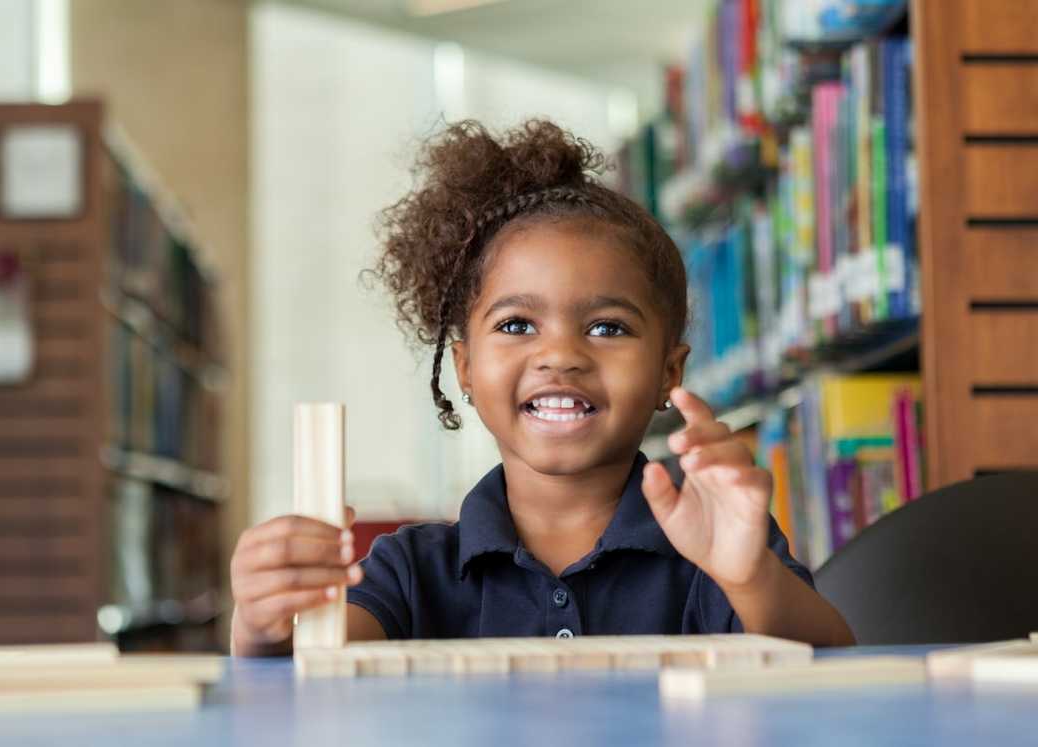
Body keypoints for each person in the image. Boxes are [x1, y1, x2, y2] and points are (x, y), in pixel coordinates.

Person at [230, 119, 854, 656]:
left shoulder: (713, 542)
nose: (559, 355)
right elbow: (311, 671)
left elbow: (832, 663)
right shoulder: (410, 570)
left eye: (608, 327)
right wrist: (263, 624)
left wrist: (749, 577)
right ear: (466, 368)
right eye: (517, 324)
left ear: (670, 371)